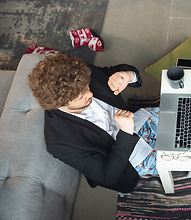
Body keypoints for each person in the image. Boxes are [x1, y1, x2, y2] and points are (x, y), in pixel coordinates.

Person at [28, 54, 158, 193]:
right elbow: (108, 176)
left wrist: (127, 75)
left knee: (181, 113)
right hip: (129, 158)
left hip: (138, 119)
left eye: (87, 87)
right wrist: (125, 133)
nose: (90, 94)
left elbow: (119, 71)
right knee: (181, 157)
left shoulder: (81, 74)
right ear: (62, 104)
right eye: (81, 96)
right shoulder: (59, 143)